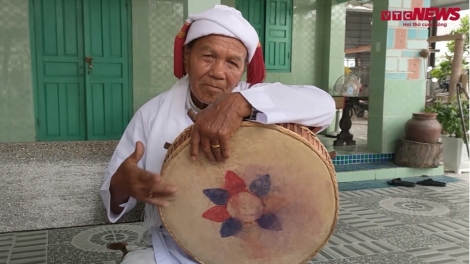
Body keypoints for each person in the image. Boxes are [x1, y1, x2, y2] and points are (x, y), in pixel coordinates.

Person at [100, 4, 336, 264]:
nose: (218, 72)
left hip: (254, 251)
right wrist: (122, 184)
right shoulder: (151, 115)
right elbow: (113, 193)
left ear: (243, 68)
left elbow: (324, 105)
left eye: (232, 63)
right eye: (208, 57)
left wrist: (240, 103)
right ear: (187, 55)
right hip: (177, 248)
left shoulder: (259, 98)